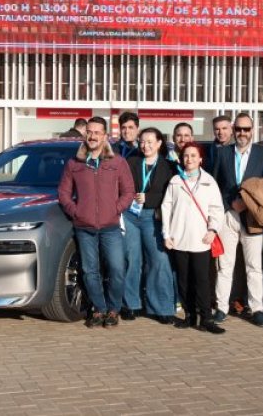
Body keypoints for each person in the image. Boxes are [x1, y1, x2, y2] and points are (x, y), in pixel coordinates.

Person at [57, 116, 135, 328]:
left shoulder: (117, 162)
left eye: (97, 133)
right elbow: (63, 193)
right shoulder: (75, 163)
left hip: (111, 227)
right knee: (90, 271)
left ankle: (113, 309)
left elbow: (128, 192)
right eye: (89, 132)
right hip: (84, 227)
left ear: (105, 136)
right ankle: (99, 309)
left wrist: (115, 209)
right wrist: (77, 212)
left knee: (117, 269)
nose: (92, 136)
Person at [210, 112, 263, 326]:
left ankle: (257, 309)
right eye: (238, 129)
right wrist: (230, 203)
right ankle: (221, 308)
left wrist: (250, 203)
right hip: (229, 216)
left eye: (246, 129)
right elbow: (214, 185)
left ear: (252, 130)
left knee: (254, 266)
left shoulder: (262, 154)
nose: (242, 133)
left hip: (253, 218)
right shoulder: (223, 153)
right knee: (224, 265)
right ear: (233, 130)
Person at [162, 143, 226, 334]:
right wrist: (166, 234)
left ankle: (206, 318)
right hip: (179, 239)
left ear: (200, 159)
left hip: (201, 240)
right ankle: (189, 316)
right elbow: (166, 208)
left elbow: (217, 208)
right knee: (183, 281)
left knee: (202, 281)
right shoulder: (175, 181)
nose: (189, 159)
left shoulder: (209, 181)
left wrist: (213, 230)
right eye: (186, 156)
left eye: (193, 156)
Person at [124, 127, 178, 323]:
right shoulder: (131, 162)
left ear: (159, 143)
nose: (145, 145)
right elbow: (121, 186)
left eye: (149, 142)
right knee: (132, 260)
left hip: (154, 216)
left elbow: (172, 194)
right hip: (130, 216)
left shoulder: (170, 166)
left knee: (159, 260)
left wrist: (150, 198)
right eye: (142, 142)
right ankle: (131, 304)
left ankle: (162, 308)